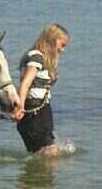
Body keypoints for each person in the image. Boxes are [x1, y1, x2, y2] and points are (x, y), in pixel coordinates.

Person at [11, 23, 70, 157]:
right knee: (51, 151)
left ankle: (37, 177)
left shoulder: (44, 59)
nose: (63, 50)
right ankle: (44, 177)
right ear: (52, 39)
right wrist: (20, 106)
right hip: (35, 113)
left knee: (42, 153)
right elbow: (26, 83)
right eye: (62, 45)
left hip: (40, 111)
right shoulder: (37, 57)